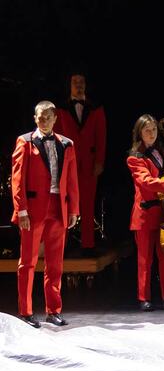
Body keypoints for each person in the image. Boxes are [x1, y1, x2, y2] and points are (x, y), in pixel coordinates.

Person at [11, 101, 79, 328]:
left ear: (55, 118)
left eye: (48, 117)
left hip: (58, 207)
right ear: (35, 118)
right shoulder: (25, 141)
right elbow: (18, 180)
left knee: (55, 263)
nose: (45, 121)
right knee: (28, 261)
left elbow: (72, 181)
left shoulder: (67, 144)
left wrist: (74, 210)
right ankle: (26, 311)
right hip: (32, 209)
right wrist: (21, 210)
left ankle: (53, 310)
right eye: (41, 117)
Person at [126, 115, 164, 311]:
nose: (151, 134)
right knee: (145, 259)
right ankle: (144, 298)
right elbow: (147, 182)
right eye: (147, 131)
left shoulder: (160, 151)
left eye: (153, 130)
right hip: (144, 214)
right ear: (140, 133)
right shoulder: (135, 158)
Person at [54, 72, 107, 255]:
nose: (79, 85)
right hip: (67, 164)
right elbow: (56, 137)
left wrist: (99, 161)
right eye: (75, 81)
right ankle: (63, 244)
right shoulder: (60, 109)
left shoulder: (96, 108)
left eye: (82, 81)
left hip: (89, 163)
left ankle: (88, 244)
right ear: (69, 84)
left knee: (87, 202)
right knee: (65, 203)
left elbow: (101, 136)